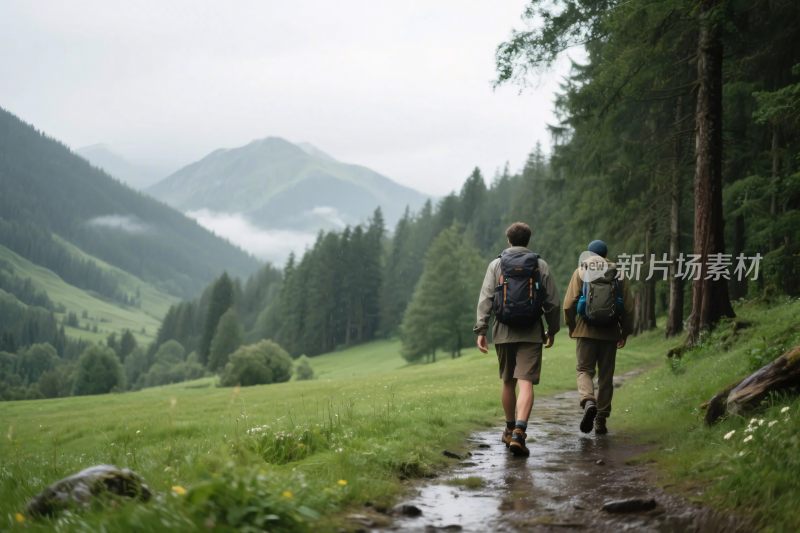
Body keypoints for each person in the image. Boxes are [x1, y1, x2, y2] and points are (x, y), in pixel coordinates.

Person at [474, 222, 560, 456]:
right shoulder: (540, 264)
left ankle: (510, 429)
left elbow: (486, 298)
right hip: (531, 331)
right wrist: (552, 330)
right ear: (528, 241)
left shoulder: (496, 264)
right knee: (526, 382)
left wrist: (481, 330)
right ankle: (520, 433)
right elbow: (552, 302)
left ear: (509, 240)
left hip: (503, 331)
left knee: (507, 382)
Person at [563, 240, 633, 434]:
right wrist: (624, 332)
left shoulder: (581, 271)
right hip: (610, 332)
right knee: (605, 376)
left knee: (584, 370)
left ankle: (588, 401)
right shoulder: (618, 273)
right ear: (605, 254)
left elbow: (568, 305)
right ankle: (601, 420)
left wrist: (572, 326)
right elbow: (628, 308)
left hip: (585, 331)